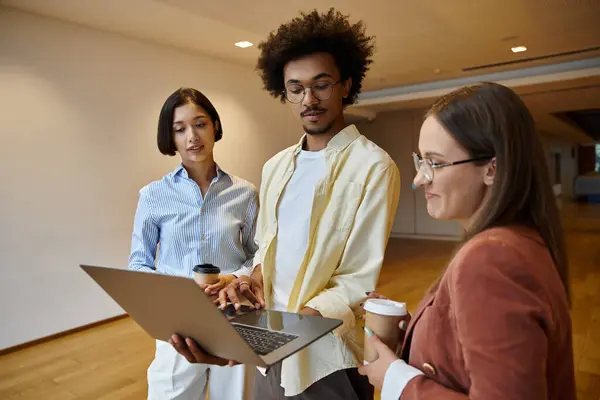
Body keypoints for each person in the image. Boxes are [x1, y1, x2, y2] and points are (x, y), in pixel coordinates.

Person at [170, 7, 401, 400]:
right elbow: (267, 253)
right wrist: (243, 284)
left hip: (329, 356)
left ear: (346, 85)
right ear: (285, 93)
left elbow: (356, 281)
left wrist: (288, 330)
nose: (308, 98)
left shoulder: (374, 166)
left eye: (321, 84)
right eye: (295, 88)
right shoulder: (276, 166)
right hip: (270, 345)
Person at [358, 82, 576, 399]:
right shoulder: (521, 240)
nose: (419, 178)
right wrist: (419, 329)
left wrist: (396, 379)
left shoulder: (491, 258)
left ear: (491, 169)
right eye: (421, 160)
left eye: (436, 162)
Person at [128, 87, 258, 400]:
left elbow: (258, 255)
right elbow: (138, 264)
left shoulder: (245, 193)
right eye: (180, 129)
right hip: (177, 321)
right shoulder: (152, 195)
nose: (192, 137)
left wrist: (237, 279)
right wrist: (174, 293)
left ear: (214, 126)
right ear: (170, 137)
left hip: (235, 316)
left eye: (200, 124)